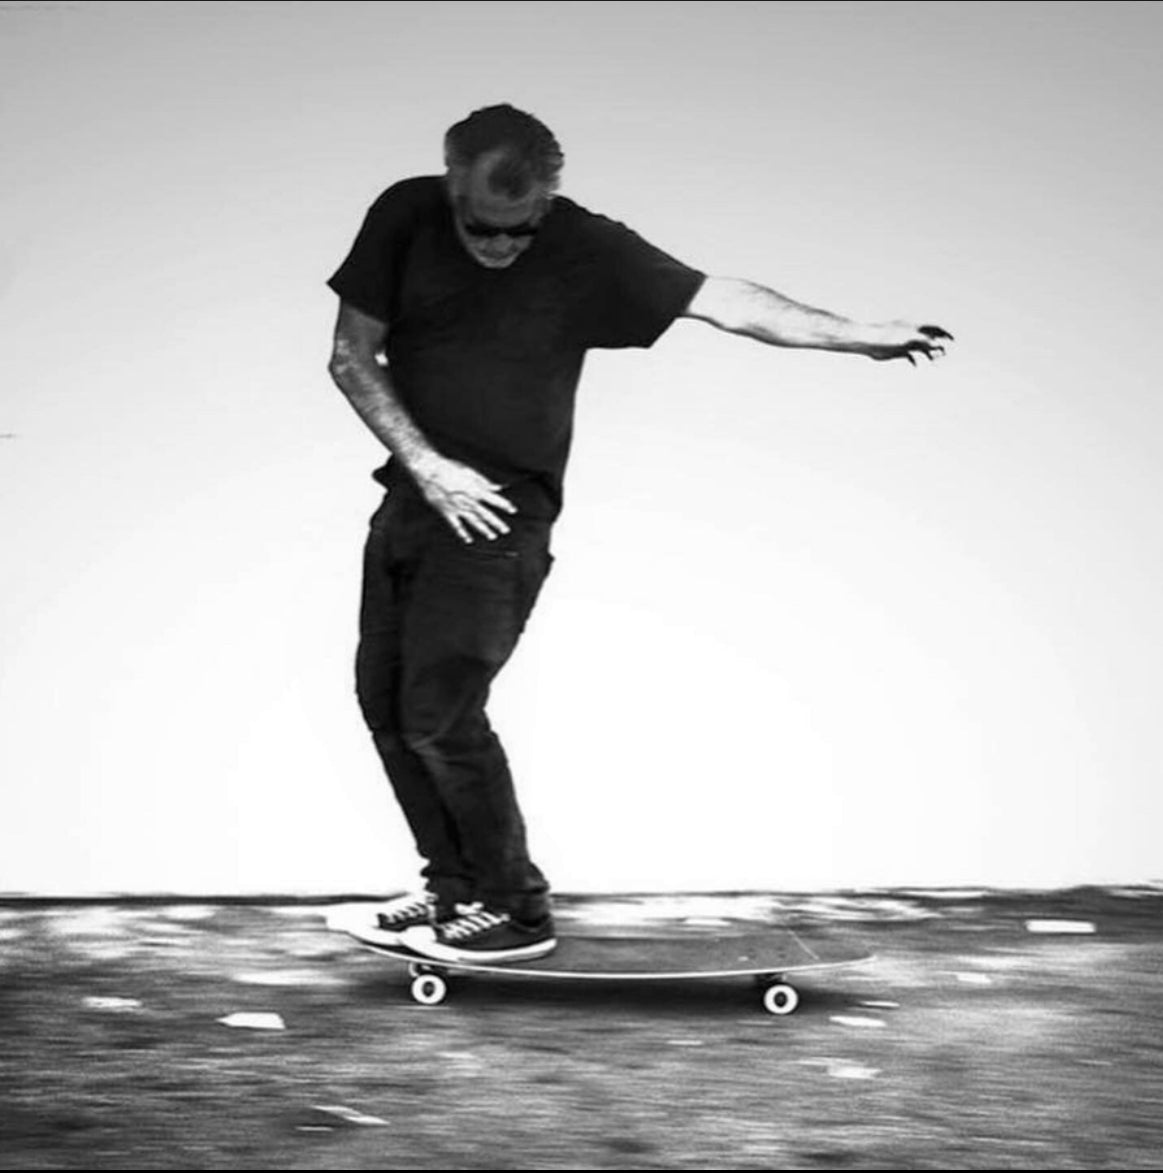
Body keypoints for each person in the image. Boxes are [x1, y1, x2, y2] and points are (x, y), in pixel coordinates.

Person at [326, 103, 951, 965]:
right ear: (449, 180)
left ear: (550, 198)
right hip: (411, 499)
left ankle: (514, 910)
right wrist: (429, 468)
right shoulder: (403, 215)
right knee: (384, 705)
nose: (505, 245)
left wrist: (856, 335)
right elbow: (351, 357)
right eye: (483, 228)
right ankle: (452, 890)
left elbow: (723, 300)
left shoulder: (583, 246)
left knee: (441, 713)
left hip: (501, 516)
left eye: (524, 228)